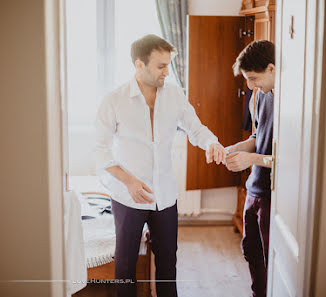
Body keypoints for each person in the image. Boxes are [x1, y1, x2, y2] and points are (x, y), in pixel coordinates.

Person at [95, 34, 226, 297]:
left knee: (168, 263)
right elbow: (100, 151)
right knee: (125, 265)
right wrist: (129, 181)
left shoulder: (175, 94)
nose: (168, 71)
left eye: (168, 64)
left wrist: (212, 143)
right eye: (161, 66)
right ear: (139, 65)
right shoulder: (114, 100)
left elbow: (196, 129)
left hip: (165, 195)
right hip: (127, 196)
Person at [225, 40, 275, 297]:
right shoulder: (261, 96)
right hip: (254, 189)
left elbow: (288, 161)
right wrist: (239, 147)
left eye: (254, 78)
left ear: (272, 68)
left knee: (270, 259)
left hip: (272, 194)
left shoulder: (293, 106)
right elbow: (258, 137)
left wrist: (251, 160)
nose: (251, 86)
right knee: (251, 252)